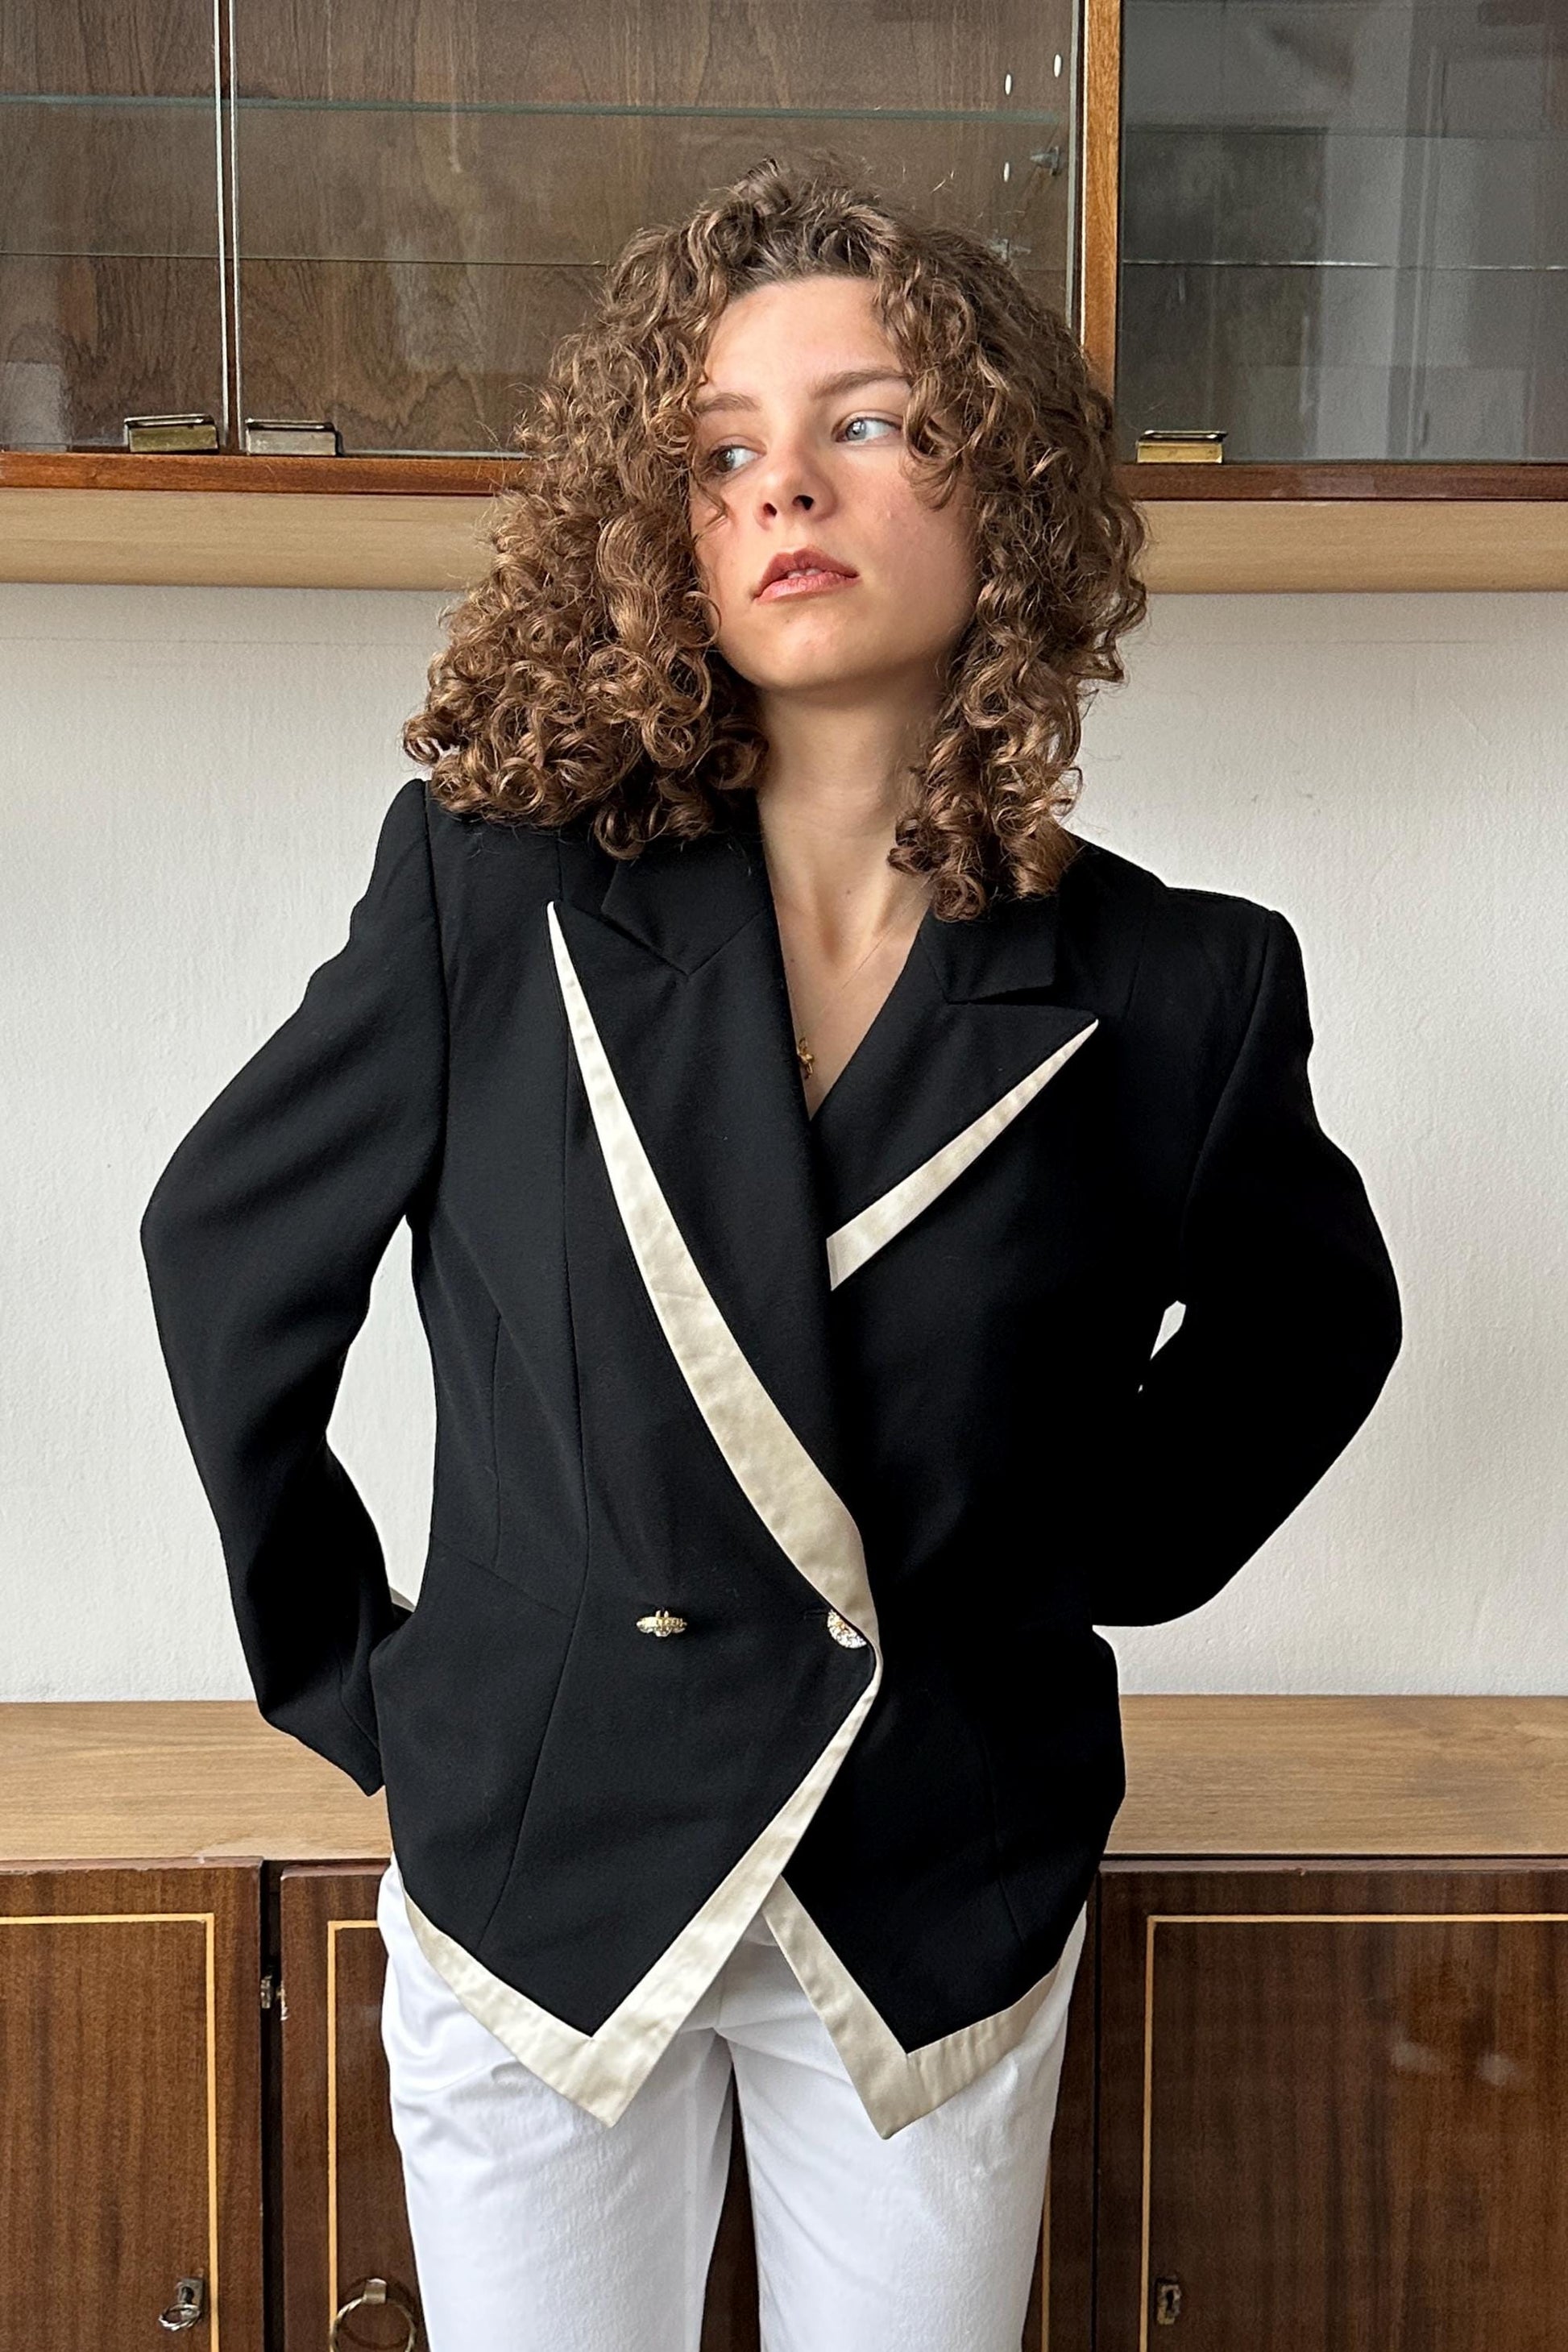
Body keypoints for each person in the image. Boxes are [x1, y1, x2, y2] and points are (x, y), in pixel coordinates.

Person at [139, 157, 1404, 2351]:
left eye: (868, 422)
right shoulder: (492, 892)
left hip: (934, 1877)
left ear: (1005, 488)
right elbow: (224, 1256)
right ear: (664, 526)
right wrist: (365, 1688)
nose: (784, 487)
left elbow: (1313, 1321)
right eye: (721, 449)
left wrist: (1068, 1562)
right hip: (540, 1864)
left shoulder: (1178, 983)